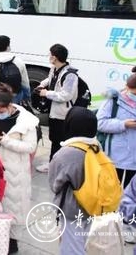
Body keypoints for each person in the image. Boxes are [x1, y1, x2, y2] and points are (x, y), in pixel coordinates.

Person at [0, 90, 38, 253]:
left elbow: (30, 147)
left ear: (8, 107)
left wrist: (5, 141)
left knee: (14, 206)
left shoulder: (26, 121)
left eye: (0, 111)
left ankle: (11, 243)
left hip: (16, 171)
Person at [48, 106, 99, 254]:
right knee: (86, 245)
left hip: (72, 209)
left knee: (72, 248)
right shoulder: (97, 147)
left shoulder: (66, 153)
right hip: (95, 205)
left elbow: (54, 183)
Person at [34, 43, 78, 173]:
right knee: (54, 138)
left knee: (59, 140)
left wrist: (46, 93)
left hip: (62, 113)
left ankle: (54, 166)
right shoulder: (54, 69)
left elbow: (66, 95)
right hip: (54, 111)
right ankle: (54, 163)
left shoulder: (70, 75)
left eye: (50, 54)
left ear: (54, 57)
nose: (49, 56)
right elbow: (50, 80)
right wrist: (41, 85)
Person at [0, 35, 30, 103]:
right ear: (8, 47)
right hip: (15, 96)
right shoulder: (18, 61)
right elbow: (25, 83)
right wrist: (27, 97)